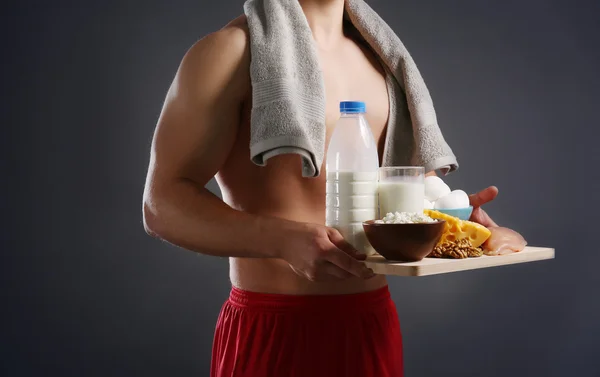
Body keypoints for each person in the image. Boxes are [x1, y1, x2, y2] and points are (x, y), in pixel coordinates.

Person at [142, 0, 498, 375]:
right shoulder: (229, 51)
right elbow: (161, 204)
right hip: (276, 327)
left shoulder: (382, 61)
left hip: (370, 323)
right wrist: (282, 240)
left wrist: (455, 222)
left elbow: (395, 191)